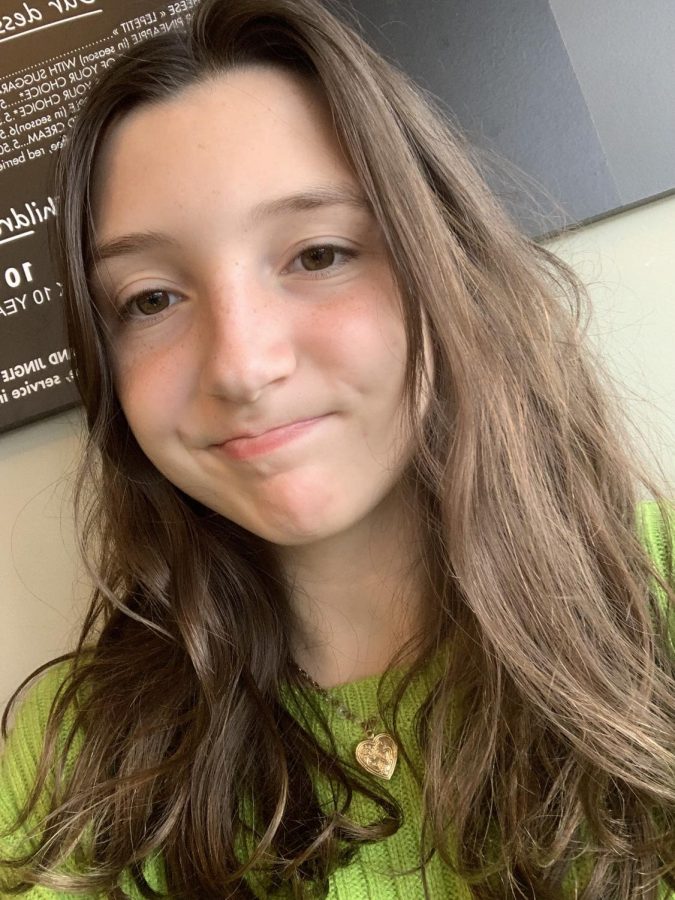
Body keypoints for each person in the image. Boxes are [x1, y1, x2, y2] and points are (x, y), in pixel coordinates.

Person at [1, 0, 674, 897]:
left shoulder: (657, 603)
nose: (241, 367)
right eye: (151, 299)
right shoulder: (73, 755)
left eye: (317, 254)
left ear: (442, 263)